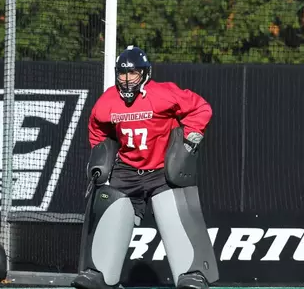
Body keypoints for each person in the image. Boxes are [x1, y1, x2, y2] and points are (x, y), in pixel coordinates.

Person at [72, 46, 219, 289]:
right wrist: (102, 151)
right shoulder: (107, 101)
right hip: (126, 170)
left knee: (176, 215)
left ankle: (192, 273)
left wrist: (190, 138)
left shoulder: (164, 93)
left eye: (134, 73)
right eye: (123, 74)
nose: (128, 80)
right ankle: (99, 271)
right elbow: (96, 128)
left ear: (145, 73)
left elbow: (201, 108)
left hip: (162, 171)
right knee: (107, 206)